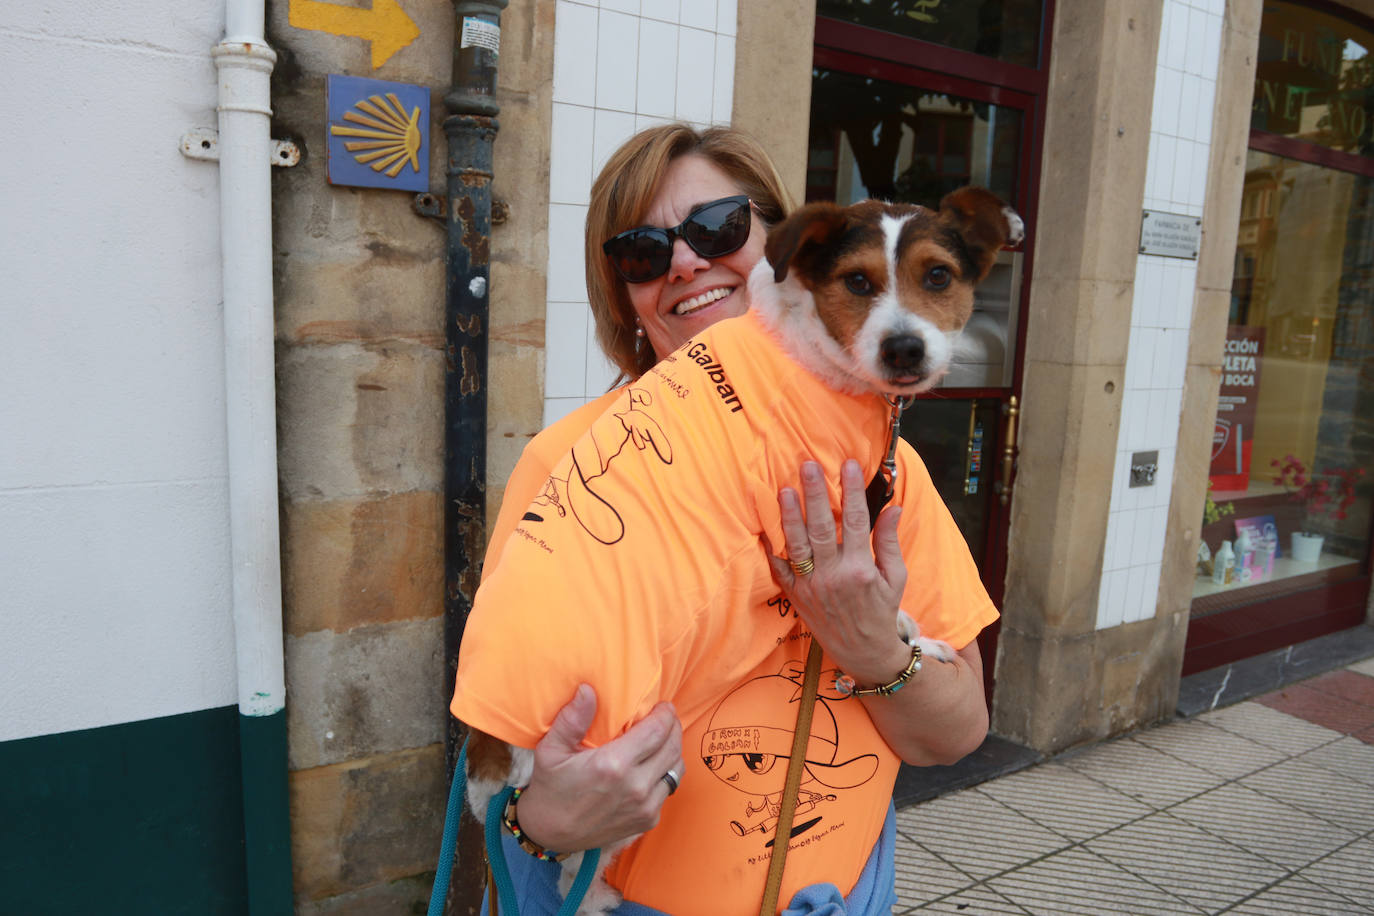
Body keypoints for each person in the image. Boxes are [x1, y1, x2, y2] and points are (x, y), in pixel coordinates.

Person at [460, 124, 995, 915]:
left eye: (719, 228)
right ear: (624, 294)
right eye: (642, 252)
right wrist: (545, 819)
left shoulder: (886, 469)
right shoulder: (573, 461)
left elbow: (953, 735)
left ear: (785, 253)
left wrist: (872, 642)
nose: (685, 261)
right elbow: (516, 731)